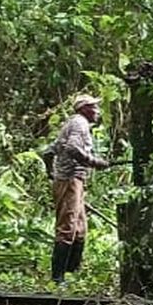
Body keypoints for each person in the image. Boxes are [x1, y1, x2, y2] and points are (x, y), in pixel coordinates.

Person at [42, 93, 109, 285]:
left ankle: (72, 272)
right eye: (94, 107)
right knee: (67, 227)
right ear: (84, 109)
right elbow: (72, 148)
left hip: (73, 180)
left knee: (79, 228)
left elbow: (49, 151)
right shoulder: (79, 123)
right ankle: (58, 278)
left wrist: (51, 172)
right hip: (70, 180)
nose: (97, 111)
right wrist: (93, 162)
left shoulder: (72, 123)